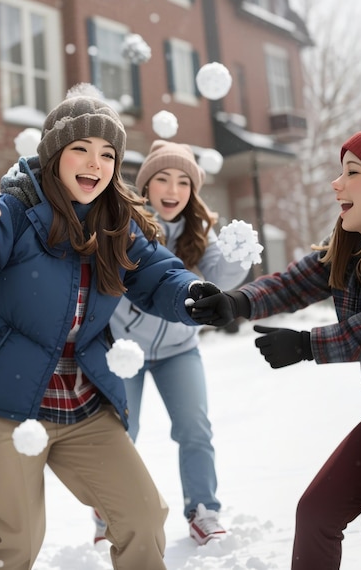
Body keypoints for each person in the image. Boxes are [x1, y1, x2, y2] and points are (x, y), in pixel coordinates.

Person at [0, 84, 224, 569]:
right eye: (80, 148)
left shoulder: (117, 220)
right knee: (12, 541)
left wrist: (188, 293)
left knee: (142, 517)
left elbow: (158, 271)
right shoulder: (12, 209)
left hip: (80, 400)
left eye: (107, 154)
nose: (94, 164)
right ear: (55, 153)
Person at [187, 125, 361, 569]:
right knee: (316, 513)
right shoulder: (349, 247)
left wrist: (309, 344)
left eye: (352, 173)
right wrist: (236, 301)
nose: (336, 183)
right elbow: (295, 282)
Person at [91, 140, 248, 547]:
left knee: (194, 428)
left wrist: (237, 255)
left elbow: (221, 281)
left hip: (180, 350)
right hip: (125, 349)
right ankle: (109, 513)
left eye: (183, 181)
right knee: (123, 431)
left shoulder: (200, 233)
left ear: (192, 192)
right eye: (162, 178)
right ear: (145, 186)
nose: (172, 189)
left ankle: (203, 509)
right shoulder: (124, 226)